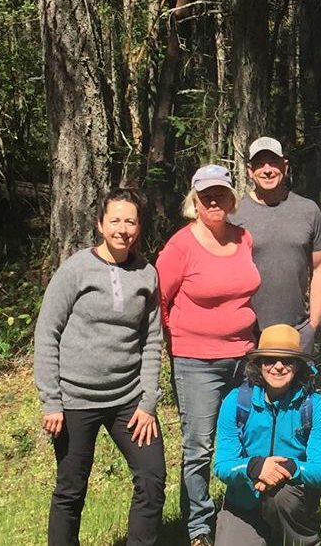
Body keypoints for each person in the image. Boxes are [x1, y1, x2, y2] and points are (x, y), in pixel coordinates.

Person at [34, 188, 165, 546]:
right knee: (71, 489)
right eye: (116, 220)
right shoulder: (76, 269)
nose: (123, 228)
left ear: (139, 226)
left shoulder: (147, 274)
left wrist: (147, 402)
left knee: (152, 479)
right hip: (76, 400)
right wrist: (52, 401)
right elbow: (47, 333)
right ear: (100, 224)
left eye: (131, 221)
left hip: (128, 400)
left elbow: (153, 340)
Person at [156, 164, 262, 546]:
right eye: (206, 196)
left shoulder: (244, 238)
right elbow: (159, 301)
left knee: (246, 436)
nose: (214, 201)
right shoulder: (180, 245)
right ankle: (198, 526)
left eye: (221, 194)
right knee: (199, 445)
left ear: (232, 199)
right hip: (196, 361)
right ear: (195, 201)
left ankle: (242, 515)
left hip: (244, 356)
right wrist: (179, 338)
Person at [213, 324, 321, 546]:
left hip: (290, 497)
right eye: (269, 359)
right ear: (259, 364)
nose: (278, 366)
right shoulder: (236, 402)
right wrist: (254, 467)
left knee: (282, 496)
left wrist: (289, 468)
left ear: (298, 365)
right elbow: (222, 465)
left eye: (287, 360)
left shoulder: (314, 405)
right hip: (244, 501)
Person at [230, 136, 321, 354]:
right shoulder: (234, 214)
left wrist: (313, 324)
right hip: (248, 331)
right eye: (259, 164)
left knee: (298, 388)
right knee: (250, 389)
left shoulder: (308, 210)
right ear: (249, 170)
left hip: (297, 329)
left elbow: (320, 267)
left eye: (273, 162)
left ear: (285, 166)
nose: (267, 170)